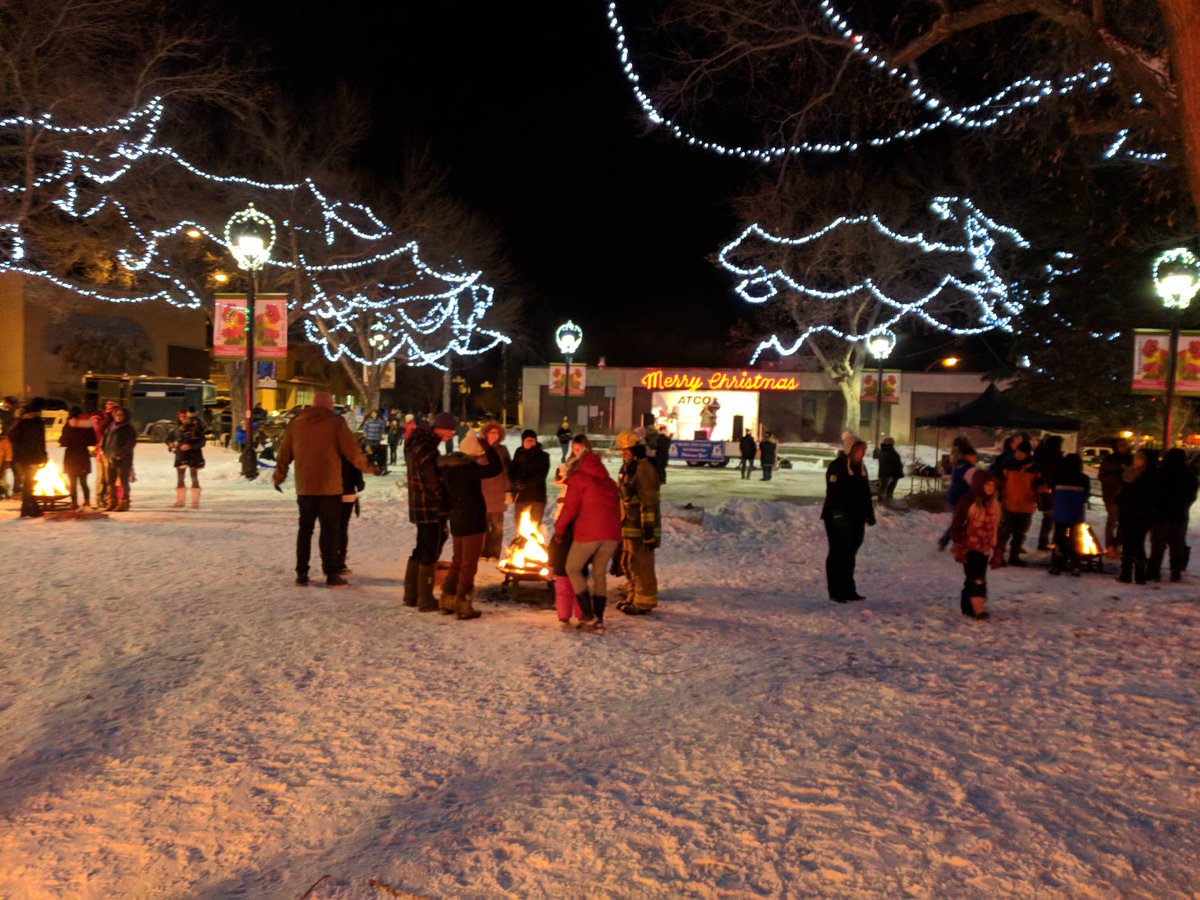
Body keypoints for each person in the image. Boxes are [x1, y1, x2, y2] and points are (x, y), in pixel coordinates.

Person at [272, 392, 372, 587]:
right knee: (330, 530)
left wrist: (279, 476)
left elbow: (284, 454)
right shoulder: (336, 423)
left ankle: (302, 572)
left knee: (305, 530)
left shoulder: (297, 424)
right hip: (330, 487)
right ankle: (331, 573)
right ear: (329, 405)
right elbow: (352, 451)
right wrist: (367, 467)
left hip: (305, 488)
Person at [554, 444, 621, 632]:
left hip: (589, 533)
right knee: (599, 573)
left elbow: (570, 508)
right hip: (611, 535)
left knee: (572, 568)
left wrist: (559, 530)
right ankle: (599, 618)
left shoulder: (579, 478)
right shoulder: (608, 481)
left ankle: (587, 615)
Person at [438, 428, 503, 619]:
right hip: (473, 519)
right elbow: (495, 469)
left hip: (456, 518)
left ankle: (447, 598)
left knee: (458, 560)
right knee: (469, 563)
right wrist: (488, 447)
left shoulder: (449, 468)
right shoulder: (469, 469)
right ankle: (463, 603)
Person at [404, 412, 457, 609]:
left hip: (418, 504)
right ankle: (425, 599)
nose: (451, 434)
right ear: (440, 428)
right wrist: (443, 500)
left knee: (421, 548)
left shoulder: (415, 443)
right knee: (431, 550)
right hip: (431, 507)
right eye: (450, 430)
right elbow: (432, 480)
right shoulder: (427, 449)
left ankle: (411, 594)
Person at [820, 433, 876, 602]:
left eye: (863, 451)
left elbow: (865, 493)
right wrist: (837, 513)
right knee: (838, 552)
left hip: (856, 517)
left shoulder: (861, 468)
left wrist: (869, 514)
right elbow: (833, 492)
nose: (862, 454)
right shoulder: (837, 467)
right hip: (838, 517)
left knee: (850, 553)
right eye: (859, 451)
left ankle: (848, 589)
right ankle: (835, 590)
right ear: (849, 451)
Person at [614, 430, 661, 615]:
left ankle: (644, 602)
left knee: (642, 564)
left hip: (641, 528)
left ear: (637, 450)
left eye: (627, 450)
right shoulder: (629, 467)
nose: (623, 453)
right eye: (622, 450)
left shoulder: (644, 468)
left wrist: (648, 531)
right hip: (629, 525)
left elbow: (648, 501)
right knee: (629, 562)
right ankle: (633, 597)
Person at [550, 435, 591, 624]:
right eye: (574, 448)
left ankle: (581, 612)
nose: (577, 452)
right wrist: (560, 477)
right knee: (562, 558)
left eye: (580, 448)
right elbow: (559, 484)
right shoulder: (570, 463)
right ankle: (564, 612)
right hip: (564, 515)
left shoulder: (591, 465)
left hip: (581, 517)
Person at [951, 469, 1002, 619]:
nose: (991, 488)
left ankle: (967, 606)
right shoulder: (968, 502)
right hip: (970, 546)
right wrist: (958, 544)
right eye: (987, 484)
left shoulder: (994, 505)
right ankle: (977, 608)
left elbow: (997, 528)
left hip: (984, 547)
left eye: (993, 485)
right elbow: (957, 524)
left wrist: (997, 549)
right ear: (979, 485)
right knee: (977, 578)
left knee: (974, 577)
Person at [1148, 448, 1198, 582]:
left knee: (1158, 544)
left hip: (1161, 514)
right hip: (1180, 515)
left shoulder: (1160, 473)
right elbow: (1192, 495)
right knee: (1177, 545)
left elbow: (1153, 493)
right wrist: (1183, 505)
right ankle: (1175, 573)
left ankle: (1154, 571)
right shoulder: (1188, 475)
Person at [1116, 449, 1158, 585]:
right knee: (1128, 542)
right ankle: (1126, 573)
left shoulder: (1150, 475)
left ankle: (1139, 573)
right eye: (1135, 457)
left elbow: (1147, 496)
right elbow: (1124, 491)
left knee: (1137, 542)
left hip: (1141, 514)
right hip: (1127, 512)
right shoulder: (1130, 473)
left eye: (1139, 458)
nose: (1135, 460)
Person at [995, 440, 1039, 566]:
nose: (1017, 454)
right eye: (1016, 452)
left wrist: (1043, 501)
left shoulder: (1034, 468)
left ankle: (1014, 557)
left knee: (1020, 534)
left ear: (1027, 453)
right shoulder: (1008, 465)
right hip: (1009, 504)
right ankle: (999, 556)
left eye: (1020, 452)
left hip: (1027, 506)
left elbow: (1041, 486)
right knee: (1004, 532)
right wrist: (998, 494)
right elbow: (999, 480)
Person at [1048, 452, 1090, 576]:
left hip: (1060, 511)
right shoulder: (1083, 478)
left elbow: (1052, 492)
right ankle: (1075, 564)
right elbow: (1086, 495)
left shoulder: (1058, 477)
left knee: (1059, 537)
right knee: (1075, 539)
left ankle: (1056, 563)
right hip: (1076, 512)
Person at [9, 398, 48, 518]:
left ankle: (32, 508)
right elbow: (40, 441)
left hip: (21, 456)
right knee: (29, 483)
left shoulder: (21, 420)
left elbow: (13, 436)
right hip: (33, 456)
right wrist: (44, 456)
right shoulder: (37, 422)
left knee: (28, 482)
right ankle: (27, 509)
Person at [479, 421, 511, 560]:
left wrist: (508, 491)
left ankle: (494, 553)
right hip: (481, 493)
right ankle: (481, 552)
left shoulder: (502, 450)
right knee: (481, 527)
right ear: (486, 433)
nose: (495, 435)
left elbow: (508, 472)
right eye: (492, 432)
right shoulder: (478, 448)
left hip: (498, 493)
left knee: (497, 528)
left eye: (497, 432)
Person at [1098, 438, 1133, 557]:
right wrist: (1117, 479)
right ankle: (1110, 546)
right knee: (1112, 520)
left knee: (1124, 522)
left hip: (1127, 495)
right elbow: (1102, 476)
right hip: (1111, 494)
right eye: (1121, 445)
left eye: (1125, 445)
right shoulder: (1109, 460)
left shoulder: (1130, 459)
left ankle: (1118, 545)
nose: (1123, 447)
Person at [938, 445, 978, 551]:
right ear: (967, 456)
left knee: (958, 521)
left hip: (953, 497)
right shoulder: (970, 469)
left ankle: (947, 541)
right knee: (960, 522)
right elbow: (973, 485)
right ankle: (953, 543)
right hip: (963, 499)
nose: (975, 458)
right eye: (973, 456)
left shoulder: (957, 465)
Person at [509, 428, 550, 527]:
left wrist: (525, 483)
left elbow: (541, 475)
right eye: (528, 440)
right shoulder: (518, 454)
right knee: (521, 527)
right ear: (523, 442)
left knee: (533, 527)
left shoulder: (543, 456)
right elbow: (511, 471)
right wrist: (515, 482)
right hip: (521, 497)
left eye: (532, 440)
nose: (530, 443)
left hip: (536, 497)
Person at [59, 406, 97, 510]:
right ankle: (87, 502)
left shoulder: (68, 426)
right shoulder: (87, 426)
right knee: (84, 482)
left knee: (73, 482)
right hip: (83, 455)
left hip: (70, 455)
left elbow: (63, 441)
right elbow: (93, 440)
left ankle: (74, 502)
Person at [335, 450, 366, 577]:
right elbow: (359, 478)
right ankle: (340, 562)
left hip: (329, 493)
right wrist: (359, 484)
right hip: (347, 493)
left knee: (329, 529)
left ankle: (329, 560)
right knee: (342, 528)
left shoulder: (328, 451)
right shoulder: (350, 452)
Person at [168, 407, 206, 509]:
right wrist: (172, 445)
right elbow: (170, 438)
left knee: (194, 476)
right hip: (181, 454)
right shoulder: (177, 428)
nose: (183, 418)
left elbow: (202, 441)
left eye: (184, 416)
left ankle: (195, 501)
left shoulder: (197, 427)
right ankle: (180, 500)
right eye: (180, 417)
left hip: (194, 454)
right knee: (180, 477)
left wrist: (191, 446)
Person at [102, 406, 137, 512]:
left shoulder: (128, 428)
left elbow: (130, 444)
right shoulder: (111, 426)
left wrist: (119, 454)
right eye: (117, 414)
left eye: (121, 415)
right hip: (110, 457)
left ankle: (124, 503)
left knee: (123, 481)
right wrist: (104, 450)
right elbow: (105, 439)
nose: (118, 417)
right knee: (110, 481)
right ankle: (112, 502)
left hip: (123, 459)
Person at [1033, 435, 1065, 550]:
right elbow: (1058, 473)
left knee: (1048, 516)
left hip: (1045, 488)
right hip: (1053, 489)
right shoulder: (1056, 457)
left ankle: (1044, 541)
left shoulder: (1041, 455)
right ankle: (1052, 541)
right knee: (1053, 516)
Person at [92, 399, 117, 509]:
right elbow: (98, 429)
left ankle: (109, 497)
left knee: (111, 476)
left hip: (114, 451)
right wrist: (108, 418)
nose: (111, 410)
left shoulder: (117, 419)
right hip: (101, 451)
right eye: (109, 407)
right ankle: (100, 497)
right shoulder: (99, 418)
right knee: (102, 476)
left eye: (113, 408)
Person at [875, 436, 904, 501]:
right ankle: (885, 501)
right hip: (890, 474)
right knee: (888, 489)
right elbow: (894, 462)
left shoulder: (883, 451)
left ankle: (884, 500)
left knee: (884, 488)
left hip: (886, 473)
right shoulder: (889, 452)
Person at [362, 409, 387, 475]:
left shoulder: (380, 421)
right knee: (369, 452)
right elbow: (365, 428)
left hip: (377, 439)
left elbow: (382, 429)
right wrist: (365, 433)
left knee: (377, 453)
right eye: (372, 413)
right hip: (369, 439)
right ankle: (371, 466)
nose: (373, 414)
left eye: (374, 413)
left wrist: (382, 435)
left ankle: (378, 467)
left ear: (377, 414)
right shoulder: (368, 421)